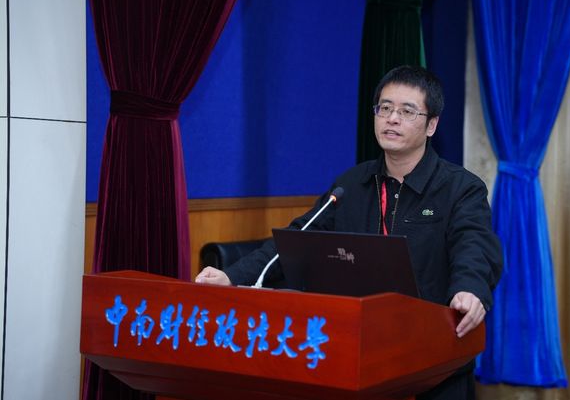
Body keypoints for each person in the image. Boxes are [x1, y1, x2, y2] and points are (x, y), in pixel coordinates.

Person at [196, 65, 502, 399]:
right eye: (385, 108)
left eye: (407, 111)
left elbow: (474, 246)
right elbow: (298, 239)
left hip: (434, 359)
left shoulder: (460, 188)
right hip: (360, 354)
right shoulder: (351, 185)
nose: (392, 119)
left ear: (431, 125)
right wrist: (232, 276)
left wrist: (469, 289)